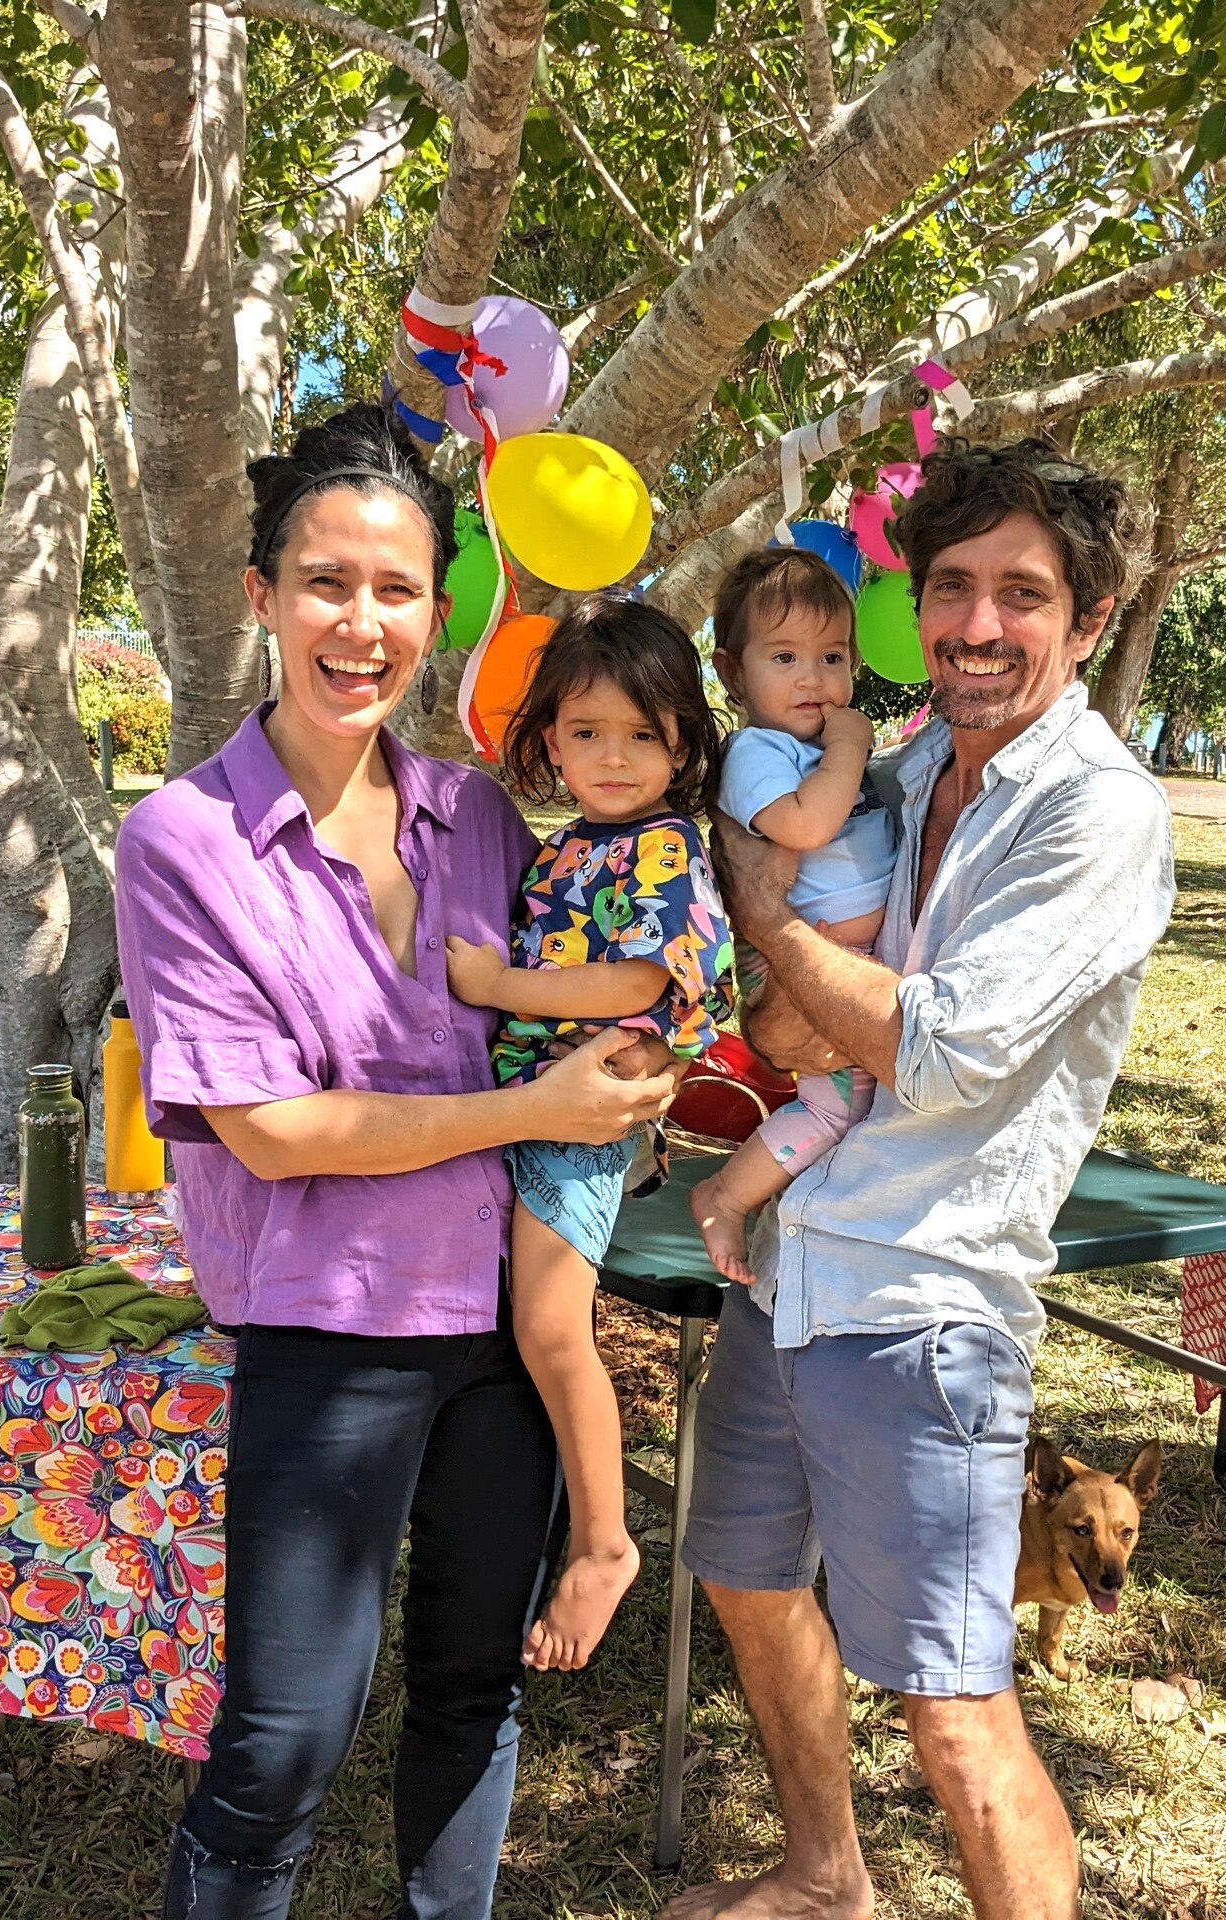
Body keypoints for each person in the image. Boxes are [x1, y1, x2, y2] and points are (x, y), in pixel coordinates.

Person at [112, 402, 680, 1920]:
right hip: (330, 1334)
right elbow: (274, 1130)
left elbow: (630, 949)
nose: (359, 624)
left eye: (396, 592)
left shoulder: (480, 814)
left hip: (498, 1332)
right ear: (262, 595)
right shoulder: (183, 841)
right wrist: (536, 1114)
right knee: (286, 1743)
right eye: (324, 582)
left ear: (441, 612)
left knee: (471, 1694)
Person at [667, 439, 1176, 1920]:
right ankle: (830, 1882)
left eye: (1022, 593)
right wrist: (798, 965)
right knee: (750, 1582)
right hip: (800, 1258)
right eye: (952, 585)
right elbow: (785, 1029)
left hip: (925, 1300)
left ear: (1084, 622)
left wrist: (772, 921)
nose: (976, 622)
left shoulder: (1094, 809)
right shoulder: (892, 772)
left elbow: (937, 1054)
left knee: (954, 1706)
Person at [441, 595, 733, 1670]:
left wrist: (498, 983)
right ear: (548, 735)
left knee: (556, 1331)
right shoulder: (581, 842)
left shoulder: (655, 847)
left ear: (683, 744)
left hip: (579, 1117)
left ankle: (606, 1542)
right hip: (544, 1111)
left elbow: (640, 976)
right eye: (584, 732)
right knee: (528, 1327)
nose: (611, 757)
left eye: (642, 735)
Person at [687, 546, 898, 1284]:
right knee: (833, 1112)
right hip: (800, 973)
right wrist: (850, 745)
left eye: (832, 656)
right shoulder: (757, 751)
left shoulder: (807, 749)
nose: (814, 678)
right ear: (734, 672)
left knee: (862, 1115)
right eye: (785, 656)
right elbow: (804, 828)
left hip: (849, 966)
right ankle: (724, 1195)